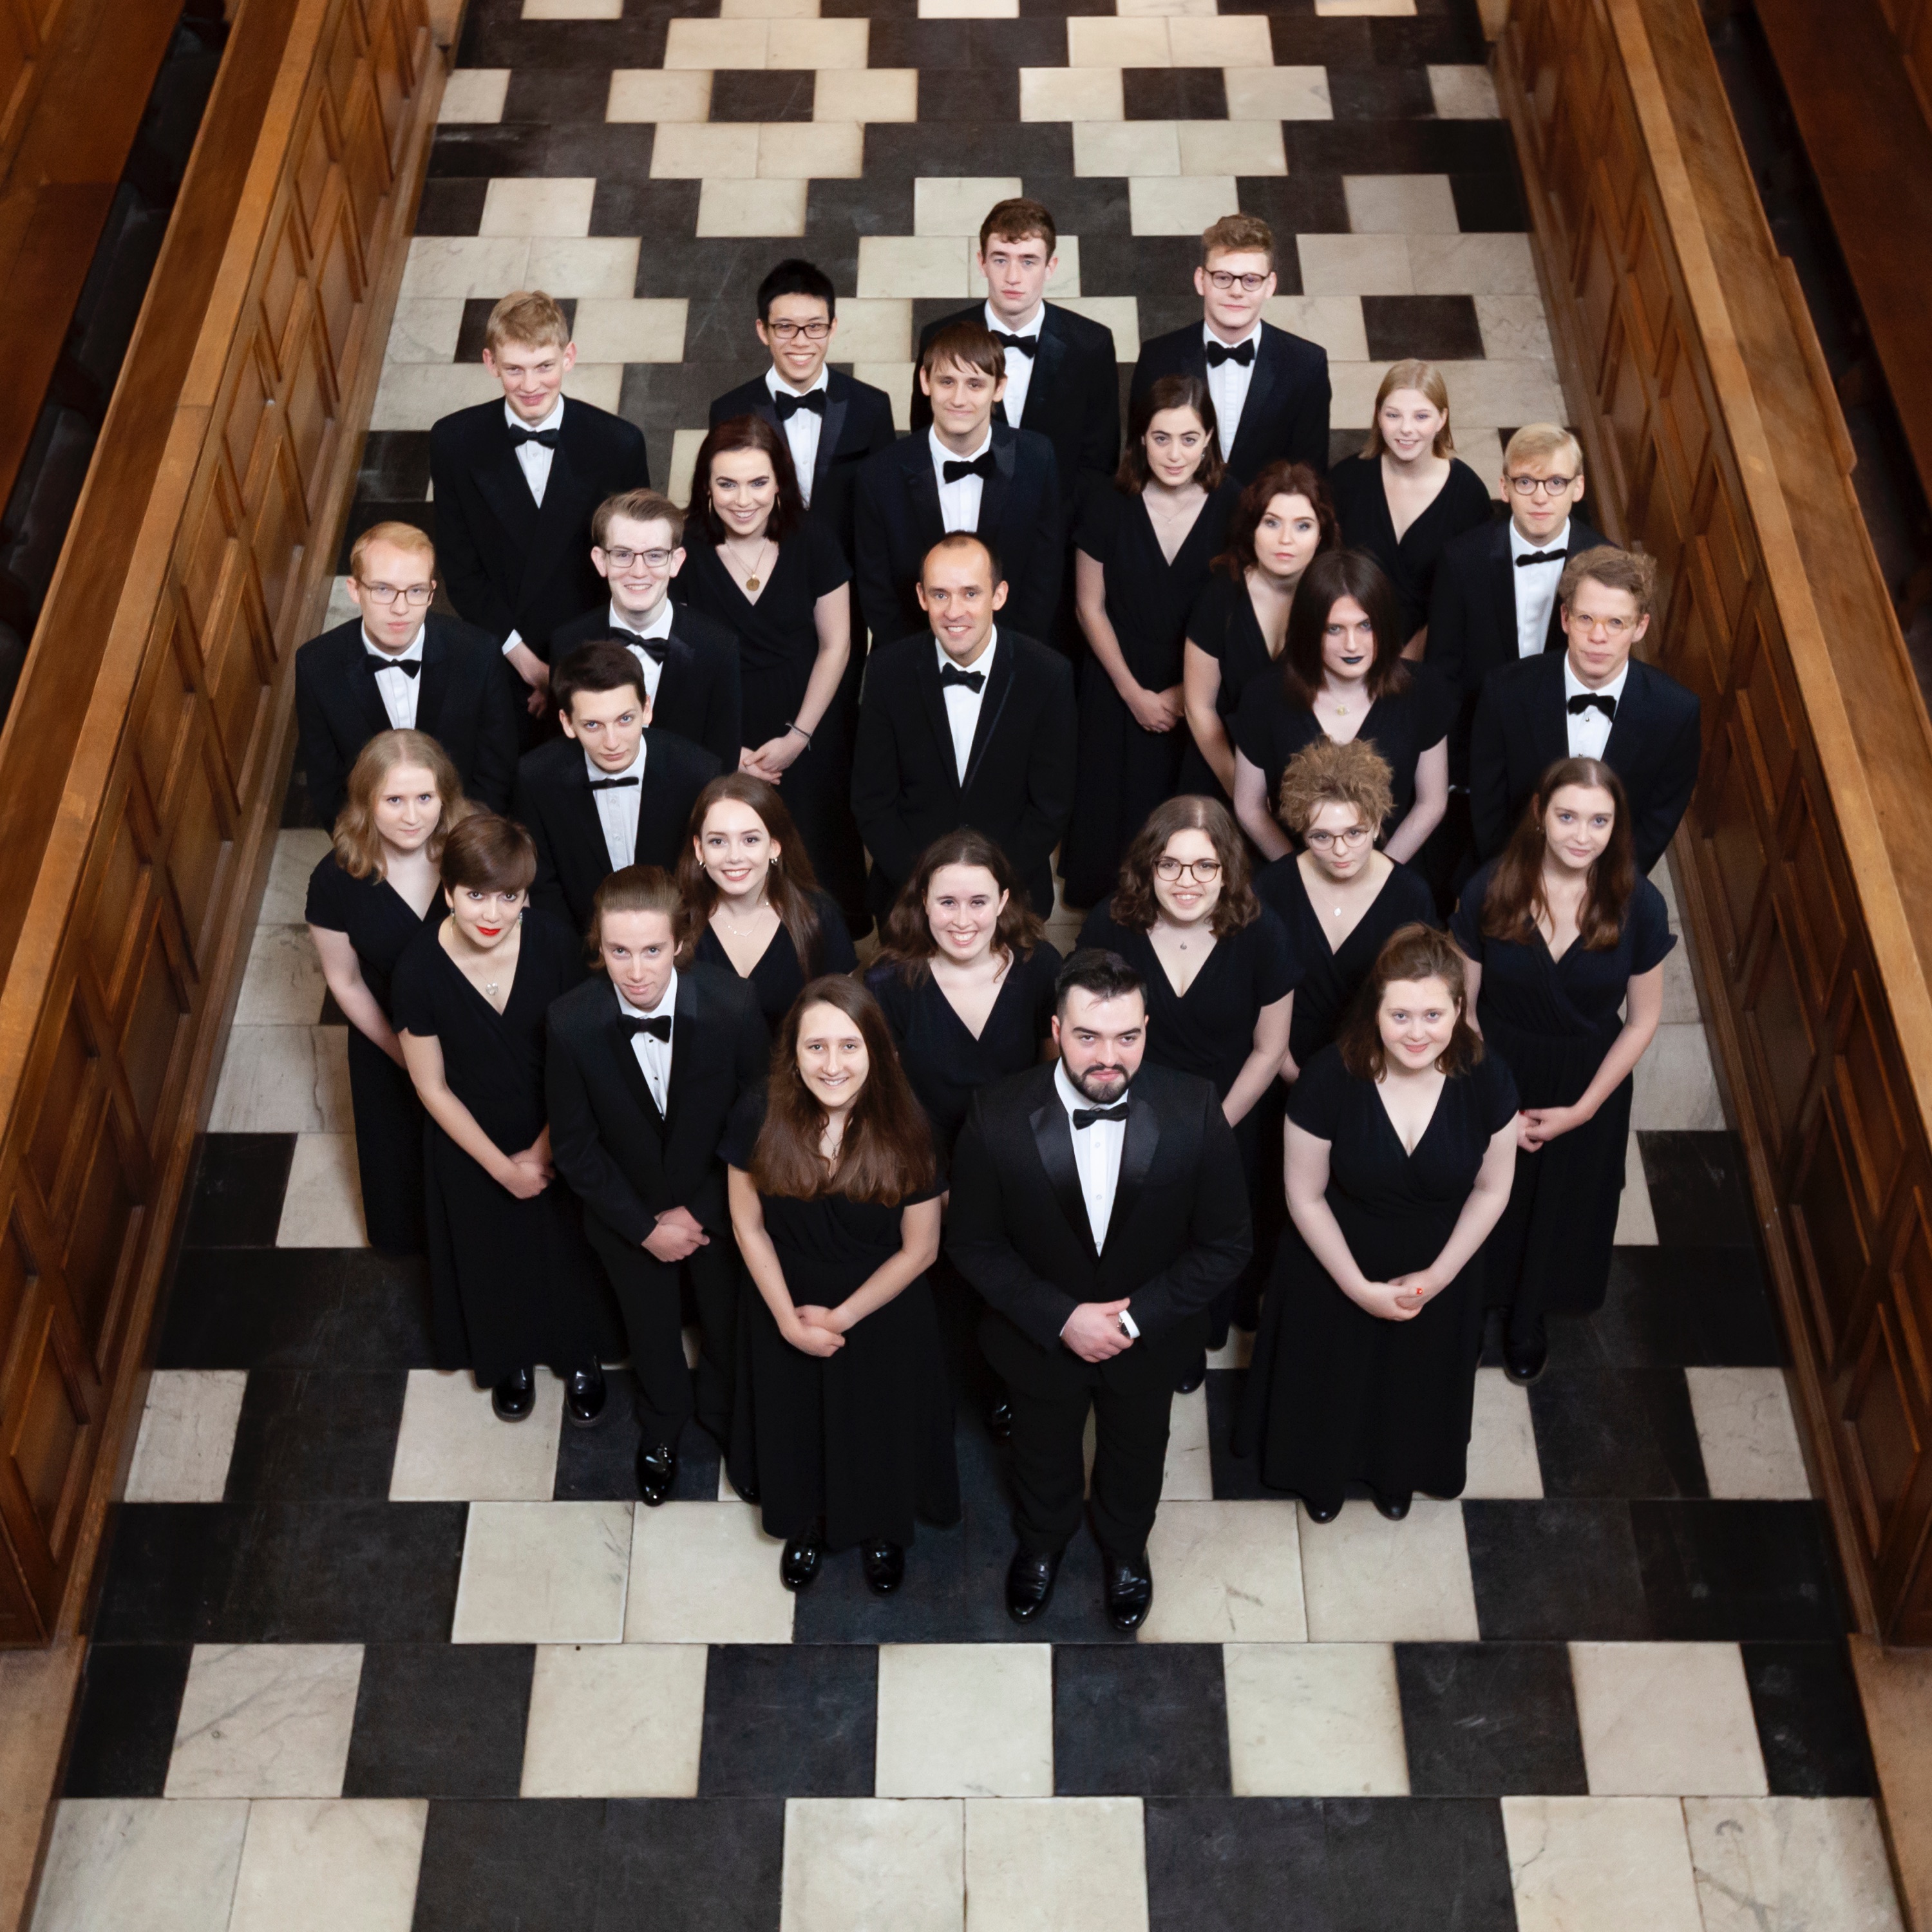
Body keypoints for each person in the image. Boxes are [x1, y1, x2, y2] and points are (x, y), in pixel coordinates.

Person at [948, 951, 1252, 1631]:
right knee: (1039, 1452)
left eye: (1127, 1036)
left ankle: (1125, 1549)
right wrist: (1061, 1320)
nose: (1108, 1057)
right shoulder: (995, 1115)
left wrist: (1136, 1320)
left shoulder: (1194, 1108)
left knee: (1138, 1453)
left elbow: (1227, 1243)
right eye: (1088, 1037)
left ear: (1147, 1028)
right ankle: (1042, 1543)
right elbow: (973, 1244)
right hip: (1036, 1340)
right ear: (1057, 1030)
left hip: (1149, 1342)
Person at [1236, 924, 1519, 1519]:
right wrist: (1357, 1288)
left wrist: (1437, 1278)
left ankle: (1400, 1472)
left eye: (1434, 1016)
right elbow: (1304, 1195)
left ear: (1459, 1010)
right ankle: (1320, 1476)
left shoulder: (1488, 1078)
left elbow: (1493, 1190)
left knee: (1415, 1381)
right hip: (1338, 1256)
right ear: (1377, 1010)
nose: (1418, 1034)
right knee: (1330, 1380)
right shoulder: (1328, 1076)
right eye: (1402, 1016)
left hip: (1440, 1263)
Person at [724, 976, 958, 1593]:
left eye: (850, 1046)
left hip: (881, 1304)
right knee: (795, 1419)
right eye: (816, 1047)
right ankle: (804, 1522)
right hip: (784, 1292)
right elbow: (748, 1228)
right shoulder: (758, 1110)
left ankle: (881, 1527)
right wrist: (785, 1319)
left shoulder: (911, 1123)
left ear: (877, 1052)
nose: (833, 1065)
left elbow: (922, 1249)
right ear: (793, 1054)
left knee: (879, 1421)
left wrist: (843, 1317)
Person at [545, 866, 768, 1504]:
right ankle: (663, 1424)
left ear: (679, 943)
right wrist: (645, 1227)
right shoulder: (570, 1022)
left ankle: (729, 1421)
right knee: (649, 1330)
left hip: (719, 1211)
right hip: (626, 1216)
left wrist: (697, 1213)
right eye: (619, 951)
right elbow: (575, 1147)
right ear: (600, 947)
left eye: (651, 950)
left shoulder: (735, 1006)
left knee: (727, 1324)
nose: (636, 970)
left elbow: (757, 1119)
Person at [392, 813, 619, 1423]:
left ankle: (579, 1356)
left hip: (559, 1122)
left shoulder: (553, 943)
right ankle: (511, 1355)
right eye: (475, 896)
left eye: (509, 897)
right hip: (470, 1137)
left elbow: (582, 1058)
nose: (491, 913)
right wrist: (501, 1168)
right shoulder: (416, 970)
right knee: (493, 1254)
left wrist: (545, 1151)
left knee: (570, 1247)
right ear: (448, 892)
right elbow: (432, 1088)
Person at [1452, 759, 1672, 1383]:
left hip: (1586, 1079)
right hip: (1496, 1066)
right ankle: (1469, 1310)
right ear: (1539, 815)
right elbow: (1463, 1007)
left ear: (1616, 827)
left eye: (1600, 821)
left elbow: (1642, 1019)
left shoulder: (1640, 903)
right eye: (1569, 816)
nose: (1583, 835)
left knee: (1560, 1205)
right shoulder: (1490, 886)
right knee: (1483, 1193)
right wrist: (1492, 1101)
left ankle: (1529, 1319)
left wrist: (1584, 1109)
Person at [1079, 796, 1295, 1384]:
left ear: (1227, 869)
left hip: (1228, 1112)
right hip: (1128, 1112)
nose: (1186, 881)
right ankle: (1138, 1332)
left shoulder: (1261, 932)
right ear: (1148, 866)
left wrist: (1211, 1128)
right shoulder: (1110, 924)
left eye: (1205, 866)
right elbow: (1087, 1035)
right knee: (1137, 1234)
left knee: (1211, 1236)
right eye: (1170, 864)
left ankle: (1197, 1336)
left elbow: (1270, 1048)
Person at [674, 414, 867, 924]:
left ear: (779, 481)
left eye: (758, 482)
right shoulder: (682, 550)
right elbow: (674, 664)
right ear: (707, 488)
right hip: (719, 732)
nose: (744, 499)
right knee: (731, 868)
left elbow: (838, 644)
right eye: (727, 484)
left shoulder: (815, 540)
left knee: (817, 870)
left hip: (806, 731)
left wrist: (799, 736)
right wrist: (722, 751)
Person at [1059, 376, 1242, 909]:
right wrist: (1134, 693)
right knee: (1112, 826)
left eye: (1189, 438)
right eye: (1161, 438)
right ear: (1140, 439)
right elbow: (1087, 605)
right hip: (1119, 681)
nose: (1175, 453)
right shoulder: (1107, 499)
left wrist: (1191, 693)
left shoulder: (1235, 504)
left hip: (1201, 681)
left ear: (1209, 437)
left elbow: (1243, 613)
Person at [428, 290, 651, 724]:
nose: (530, 386)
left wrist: (570, 671)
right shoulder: (454, 442)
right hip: (501, 652)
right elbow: (462, 572)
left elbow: (632, 566)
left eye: (544, 367)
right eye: (514, 369)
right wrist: (530, 667)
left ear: (568, 357)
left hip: (594, 658)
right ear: (490, 363)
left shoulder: (618, 443)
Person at [850, 533, 1076, 921]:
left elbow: (1050, 807)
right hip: (908, 895)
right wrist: (927, 890)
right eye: (940, 595)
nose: (954, 611)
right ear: (922, 597)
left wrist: (987, 891)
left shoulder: (1048, 674)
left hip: (1012, 896)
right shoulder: (888, 671)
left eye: (971, 593)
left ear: (999, 595)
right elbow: (872, 803)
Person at [306, 730, 471, 1253]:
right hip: (389, 1038)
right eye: (393, 800)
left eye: (425, 798)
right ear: (366, 803)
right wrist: (404, 1055)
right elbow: (345, 981)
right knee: (403, 1169)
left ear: (444, 798)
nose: (411, 816)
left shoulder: (472, 851)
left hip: (474, 1031)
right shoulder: (333, 879)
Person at [1468, 545, 1701, 875]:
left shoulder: (1676, 712)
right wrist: (1512, 880)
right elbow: (1487, 807)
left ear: (1641, 627)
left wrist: (1607, 890)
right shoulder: (1505, 691)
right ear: (1565, 618)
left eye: (1616, 622)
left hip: (1609, 890)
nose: (1597, 636)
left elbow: (1658, 821)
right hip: (1512, 875)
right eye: (1586, 618)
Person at [1232, 549, 1452, 867]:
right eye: (1334, 629)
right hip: (1293, 878)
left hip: (1393, 871)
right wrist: (1302, 875)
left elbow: (1432, 802)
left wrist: (1379, 876)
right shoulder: (1264, 696)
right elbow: (1249, 808)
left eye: (1365, 626)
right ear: (1310, 629)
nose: (1352, 644)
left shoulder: (1423, 691)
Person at [853, 321, 1065, 648]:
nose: (959, 398)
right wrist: (922, 664)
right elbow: (876, 592)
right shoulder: (879, 473)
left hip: (1014, 657)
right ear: (925, 381)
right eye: (947, 381)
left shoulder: (1038, 458)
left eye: (975, 384)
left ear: (999, 388)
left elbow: (1045, 577)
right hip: (911, 661)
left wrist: (1009, 658)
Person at [294, 522, 517, 824]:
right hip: (373, 845)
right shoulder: (317, 665)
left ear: (431, 593)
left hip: (464, 836)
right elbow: (327, 786)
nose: (401, 608)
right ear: (355, 590)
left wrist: (464, 845)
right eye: (383, 589)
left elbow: (496, 769)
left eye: (415, 590)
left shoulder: (478, 653)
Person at [909, 198, 1121, 512]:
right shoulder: (938, 337)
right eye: (1000, 260)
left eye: (1028, 261)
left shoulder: (1092, 344)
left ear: (1051, 267)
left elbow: (1100, 461)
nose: (1013, 277)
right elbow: (924, 440)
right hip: (965, 524)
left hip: (1059, 536)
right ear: (981, 262)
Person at [866, 829, 1063, 1162]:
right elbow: (888, 1099)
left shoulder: (1040, 967)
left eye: (978, 903)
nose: (962, 921)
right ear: (925, 901)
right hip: (924, 1159)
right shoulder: (887, 984)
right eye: (947, 903)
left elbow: (1053, 1081)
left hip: (1023, 1155)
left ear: (1001, 901)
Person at [1426, 423, 1607, 784]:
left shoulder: (1605, 564)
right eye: (1526, 482)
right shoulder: (1462, 559)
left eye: (1556, 482)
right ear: (1504, 487)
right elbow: (1442, 669)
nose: (1541, 498)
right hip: (1477, 741)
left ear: (1579, 487)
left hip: (1567, 746)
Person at [1255, 739, 1439, 1079]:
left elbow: (1424, 999)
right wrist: (1286, 1070)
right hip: (1277, 1066)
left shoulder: (1410, 896)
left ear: (1377, 823)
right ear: (1303, 831)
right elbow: (1251, 990)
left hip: (1380, 1069)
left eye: (1354, 833)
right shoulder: (1272, 888)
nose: (1341, 850)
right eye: (1322, 837)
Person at [511, 639, 721, 934]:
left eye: (625, 719)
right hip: (580, 955)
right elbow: (544, 885)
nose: (612, 742)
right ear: (567, 723)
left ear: (646, 709)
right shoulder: (536, 777)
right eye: (593, 725)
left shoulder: (699, 773)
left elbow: (706, 883)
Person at [1180, 460, 1340, 804]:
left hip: (1311, 787)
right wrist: (1242, 791)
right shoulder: (1220, 595)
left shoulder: (1338, 602)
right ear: (1251, 528)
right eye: (1272, 523)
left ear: (1322, 535)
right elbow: (1198, 707)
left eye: (1303, 526)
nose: (1286, 540)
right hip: (1220, 773)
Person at [549, 488, 743, 772]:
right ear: (600, 560)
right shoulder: (567, 643)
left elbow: (721, 765)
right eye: (623, 554)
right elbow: (563, 758)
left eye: (654, 555)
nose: (639, 572)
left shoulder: (718, 647)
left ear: (675, 561)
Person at [706, 257, 896, 546]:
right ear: (762, 331)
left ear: (832, 328)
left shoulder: (872, 406)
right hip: (763, 572)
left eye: (814, 327)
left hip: (850, 575)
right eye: (785, 327)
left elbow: (885, 509)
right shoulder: (729, 410)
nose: (801, 341)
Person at [1129, 214, 1330, 486]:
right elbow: (1138, 461)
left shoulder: (1307, 364)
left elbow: (1311, 473)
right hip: (1178, 522)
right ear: (1201, 280)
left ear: (1270, 285)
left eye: (1250, 280)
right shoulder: (1157, 357)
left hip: (1264, 523)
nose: (1236, 291)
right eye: (1223, 277)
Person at [1325, 361, 1492, 650]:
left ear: (1442, 419)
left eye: (1421, 416)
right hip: (1345, 643)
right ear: (1378, 416)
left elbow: (1470, 596)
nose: (1406, 430)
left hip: (1434, 650)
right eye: (1393, 415)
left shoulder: (1469, 496)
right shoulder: (1346, 480)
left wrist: (1411, 657)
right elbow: (1324, 575)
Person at [676, 773, 857, 1034]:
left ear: (774, 846)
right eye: (718, 841)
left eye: (750, 840)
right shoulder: (675, 922)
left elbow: (844, 1024)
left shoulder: (818, 915)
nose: (734, 857)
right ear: (699, 849)